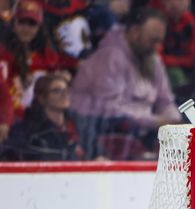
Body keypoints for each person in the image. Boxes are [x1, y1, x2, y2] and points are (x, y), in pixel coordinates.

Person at [70, 7, 180, 158]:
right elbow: (111, 109)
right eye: (153, 40)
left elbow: (165, 100)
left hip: (141, 129)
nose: (157, 47)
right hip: (98, 129)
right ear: (135, 32)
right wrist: (155, 121)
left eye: (160, 41)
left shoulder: (151, 57)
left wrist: (173, 120)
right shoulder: (110, 56)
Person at [0, 0, 66, 119]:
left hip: (39, 121)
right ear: (13, 23)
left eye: (32, 23)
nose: (26, 28)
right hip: (10, 120)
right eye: (22, 22)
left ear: (39, 27)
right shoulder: (4, 55)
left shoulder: (47, 57)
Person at [2, 73, 84, 160]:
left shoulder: (77, 126)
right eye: (57, 91)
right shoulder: (27, 130)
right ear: (42, 98)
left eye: (67, 90)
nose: (64, 94)